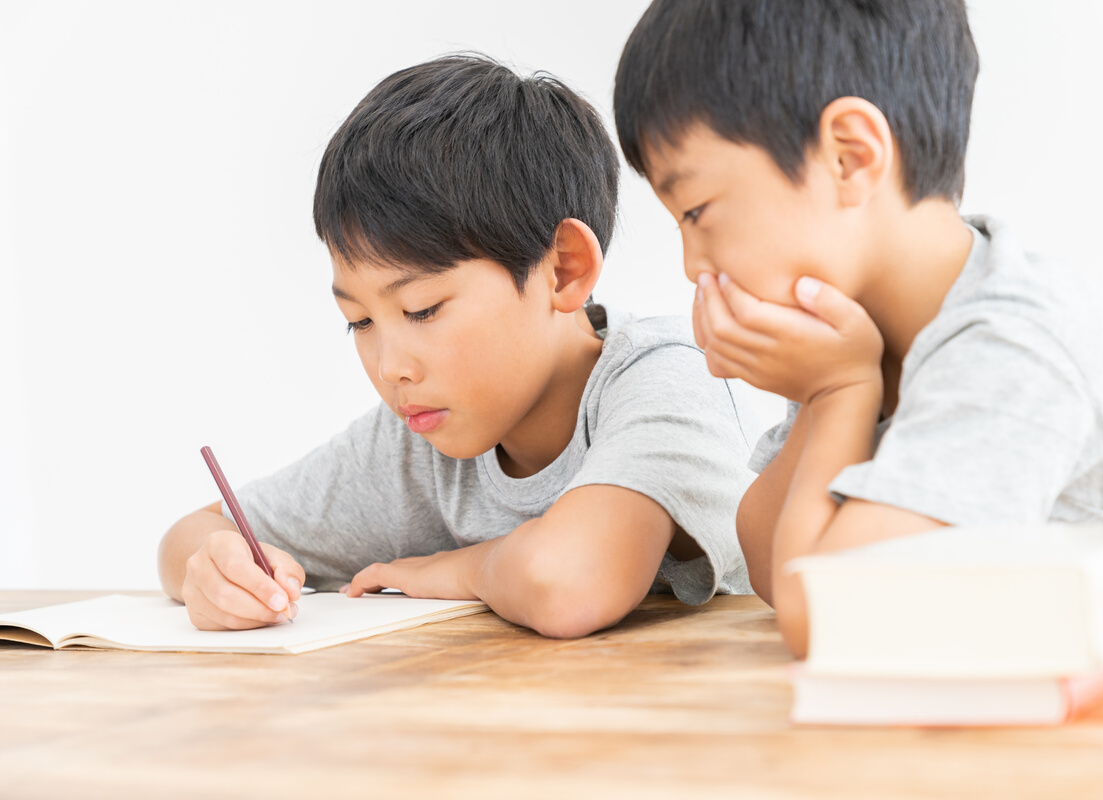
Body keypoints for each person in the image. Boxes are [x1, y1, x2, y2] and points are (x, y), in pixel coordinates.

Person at [612, 0, 1103, 656]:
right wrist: (823, 394)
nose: (693, 265)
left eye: (695, 211)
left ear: (850, 157)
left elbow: (836, 617)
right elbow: (773, 567)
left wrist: (840, 394)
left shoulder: (1011, 346)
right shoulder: (854, 329)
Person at [158, 54, 754, 639]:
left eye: (422, 309)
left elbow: (568, 582)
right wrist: (218, 571)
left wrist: (456, 568)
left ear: (564, 271)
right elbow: (191, 534)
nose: (391, 368)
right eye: (359, 322)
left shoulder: (666, 376)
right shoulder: (419, 440)